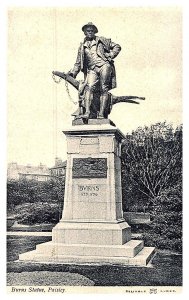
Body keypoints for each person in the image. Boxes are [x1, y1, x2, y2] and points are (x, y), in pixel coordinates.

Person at [68, 22, 121, 119]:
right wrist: (73, 73)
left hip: (104, 65)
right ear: (84, 32)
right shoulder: (82, 46)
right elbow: (78, 62)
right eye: (88, 31)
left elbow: (117, 46)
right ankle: (87, 112)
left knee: (104, 88)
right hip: (92, 69)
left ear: (94, 32)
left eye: (92, 31)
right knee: (88, 87)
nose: (90, 32)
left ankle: (101, 114)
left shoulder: (101, 40)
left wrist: (111, 54)